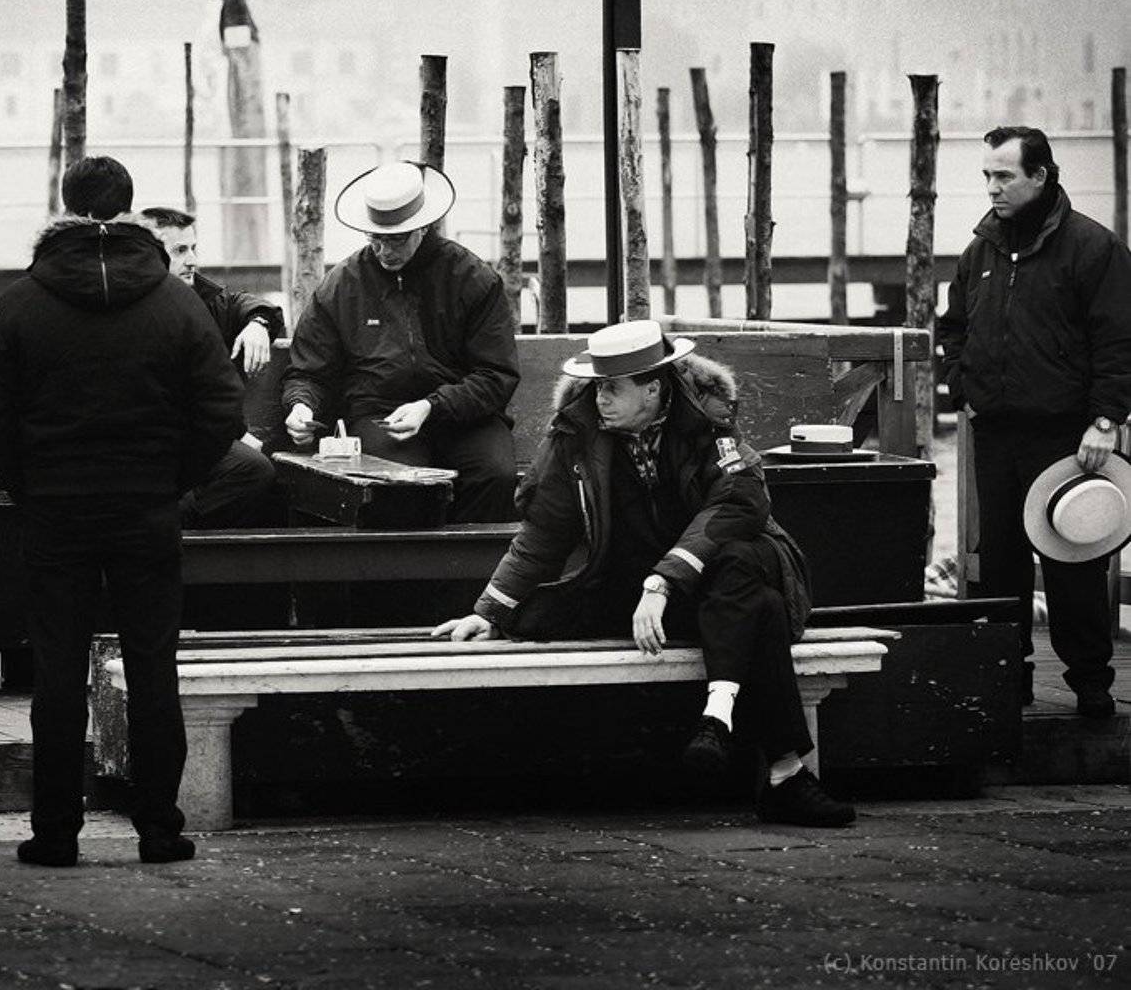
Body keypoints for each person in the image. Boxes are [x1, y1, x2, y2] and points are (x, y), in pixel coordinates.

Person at [433, 319, 856, 828]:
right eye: (594, 386)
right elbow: (545, 531)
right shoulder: (576, 431)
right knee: (756, 607)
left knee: (743, 562)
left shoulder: (708, 418)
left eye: (612, 387)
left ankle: (724, 723)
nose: (600, 398)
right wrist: (491, 610)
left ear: (653, 388)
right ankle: (783, 773)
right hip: (638, 596)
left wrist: (665, 579)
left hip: (709, 582)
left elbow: (740, 500)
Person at [0, 156, 245, 866]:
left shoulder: (23, 301)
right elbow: (220, 409)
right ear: (128, 207)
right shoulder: (175, 301)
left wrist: (25, 480)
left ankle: (55, 833)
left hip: (56, 509)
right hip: (146, 508)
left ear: (64, 203)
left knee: (56, 672)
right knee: (153, 667)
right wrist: (172, 480)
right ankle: (159, 829)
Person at [938, 126, 1131, 719]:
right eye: (987, 176)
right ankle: (1007, 680)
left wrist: (1105, 419)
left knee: (1073, 561)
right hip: (995, 433)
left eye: (1005, 176)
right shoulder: (982, 250)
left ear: (1040, 176)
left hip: (1064, 434)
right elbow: (952, 328)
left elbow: (1118, 341)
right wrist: (963, 388)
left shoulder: (1093, 248)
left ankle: (1092, 686)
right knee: (999, 564)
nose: (992, 188)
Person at [281, 160, 521, 523]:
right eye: (375, 239)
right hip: (379, 415)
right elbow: (310, 371)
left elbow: (496, 375)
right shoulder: (342, 285)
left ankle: (464, 577)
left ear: (422, 228)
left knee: (496, 475)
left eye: (396, 239)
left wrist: (431, 406)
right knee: (392, 485)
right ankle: (409, 580)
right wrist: (301, 406)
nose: (385, 251)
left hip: (466, 416)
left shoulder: (472, 278)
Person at [136, 206, 282, 528]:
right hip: (147, 443)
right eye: (179, 251)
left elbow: (248, 304)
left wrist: (258, 323)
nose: (192, 260)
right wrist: (237, 433)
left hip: (196, 442)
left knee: (255, 470)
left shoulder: (205, 298)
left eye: (194, 248)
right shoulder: (132, 310)